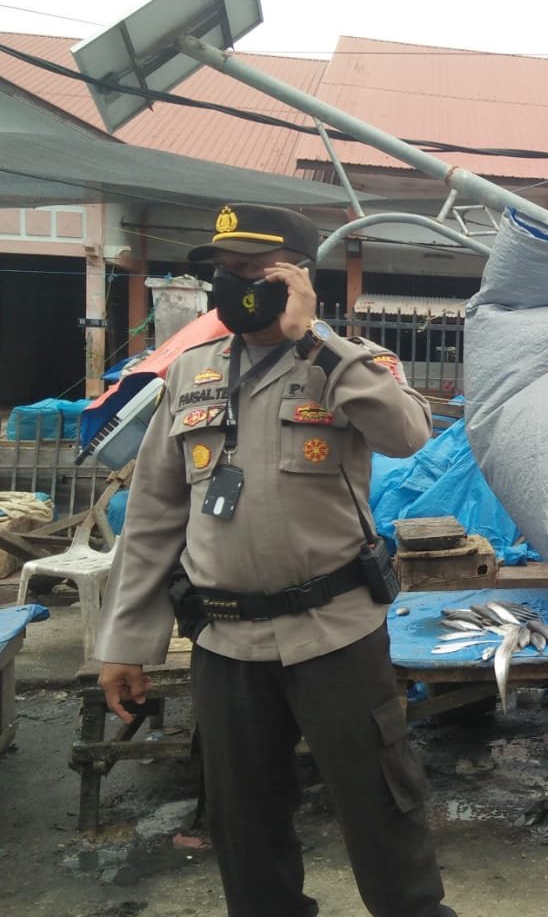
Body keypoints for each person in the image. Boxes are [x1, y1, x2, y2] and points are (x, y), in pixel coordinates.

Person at [96, 203, 455, 917]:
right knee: (243, 823)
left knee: (381, 808)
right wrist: (125, 641)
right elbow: (153, 518)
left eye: (255, 275)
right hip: (226, 641)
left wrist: (313, 342)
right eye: (224, 274)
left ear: (297, 278)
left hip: (335, 632)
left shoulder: (348, 361)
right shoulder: (190, 374)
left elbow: (408, 432)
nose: (234, 288)